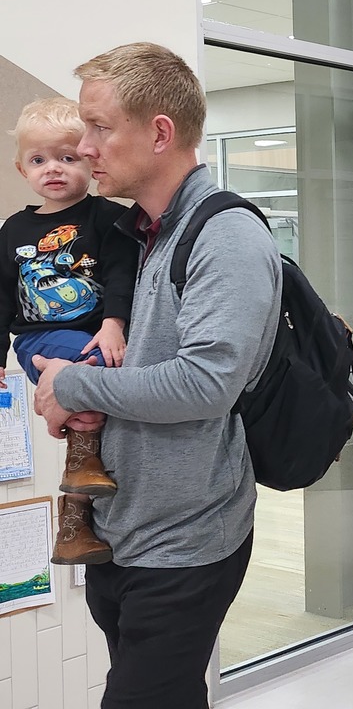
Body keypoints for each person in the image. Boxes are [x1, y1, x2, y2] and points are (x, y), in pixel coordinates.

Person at [31, 43, 282, 708]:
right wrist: (76, 392)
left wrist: (72, 386)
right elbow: (138, 369)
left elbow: (205, 385)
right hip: (125, 532)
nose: (83, 147)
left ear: (159, 132)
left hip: (185, 543)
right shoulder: (144, 234)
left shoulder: (224, 235)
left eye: (98, 127)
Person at [2, 96, 137, 565]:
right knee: (88, 373)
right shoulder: (13, 229)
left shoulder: (106, 217)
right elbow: (2, 296)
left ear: (88, 158)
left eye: (67, 157)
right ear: (22, 169)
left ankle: (74, 518)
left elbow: (122, 274)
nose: (53, 169)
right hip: (40, 339)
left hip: (99, 333)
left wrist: (114, 323)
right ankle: (78, 495)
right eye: (39, 160)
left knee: (109, 372)